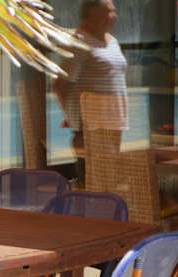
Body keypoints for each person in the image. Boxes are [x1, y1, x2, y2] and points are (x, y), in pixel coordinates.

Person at [53, 0, 128, 185]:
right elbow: (60, 85)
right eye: (108, 12)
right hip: (90, 124)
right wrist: (70, 116)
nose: (113, 16)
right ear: (91, 16)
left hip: (113, 121)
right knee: (91, 178)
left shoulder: (112, 41)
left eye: (113, 11)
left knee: (109, 177)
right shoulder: (79, 41)